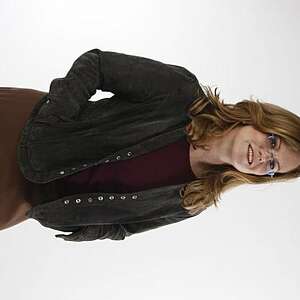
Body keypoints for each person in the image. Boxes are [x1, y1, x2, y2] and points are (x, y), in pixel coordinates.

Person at [0, 48, 299, 242]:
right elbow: (98, 66)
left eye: (272, 166)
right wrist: (53, 118)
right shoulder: (181, 93)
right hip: (22, 130)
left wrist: (86, 229)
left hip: (28, 200)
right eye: (272, 141)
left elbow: (126, 226)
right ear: (259, 119)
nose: (263, 156)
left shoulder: (193, 200)